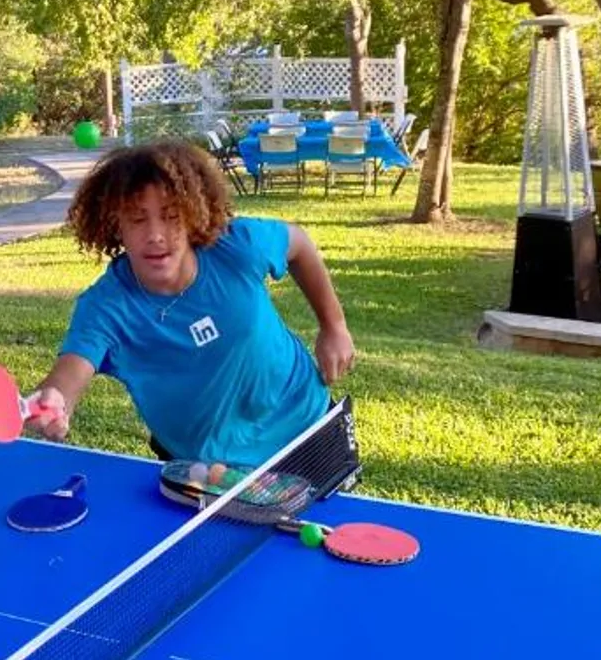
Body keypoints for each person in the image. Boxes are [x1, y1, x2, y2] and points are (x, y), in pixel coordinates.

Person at [28, 139, 356, 467]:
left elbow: (298, 244)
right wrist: (55, 400)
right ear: (116, 224)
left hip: (307, 427)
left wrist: (334, 326)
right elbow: (69, 373)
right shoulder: (106, 307)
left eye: (171, 216)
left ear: (192, 215)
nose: (155, 235)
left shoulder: (237, 246)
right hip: (210, 468)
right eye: (138, 219)